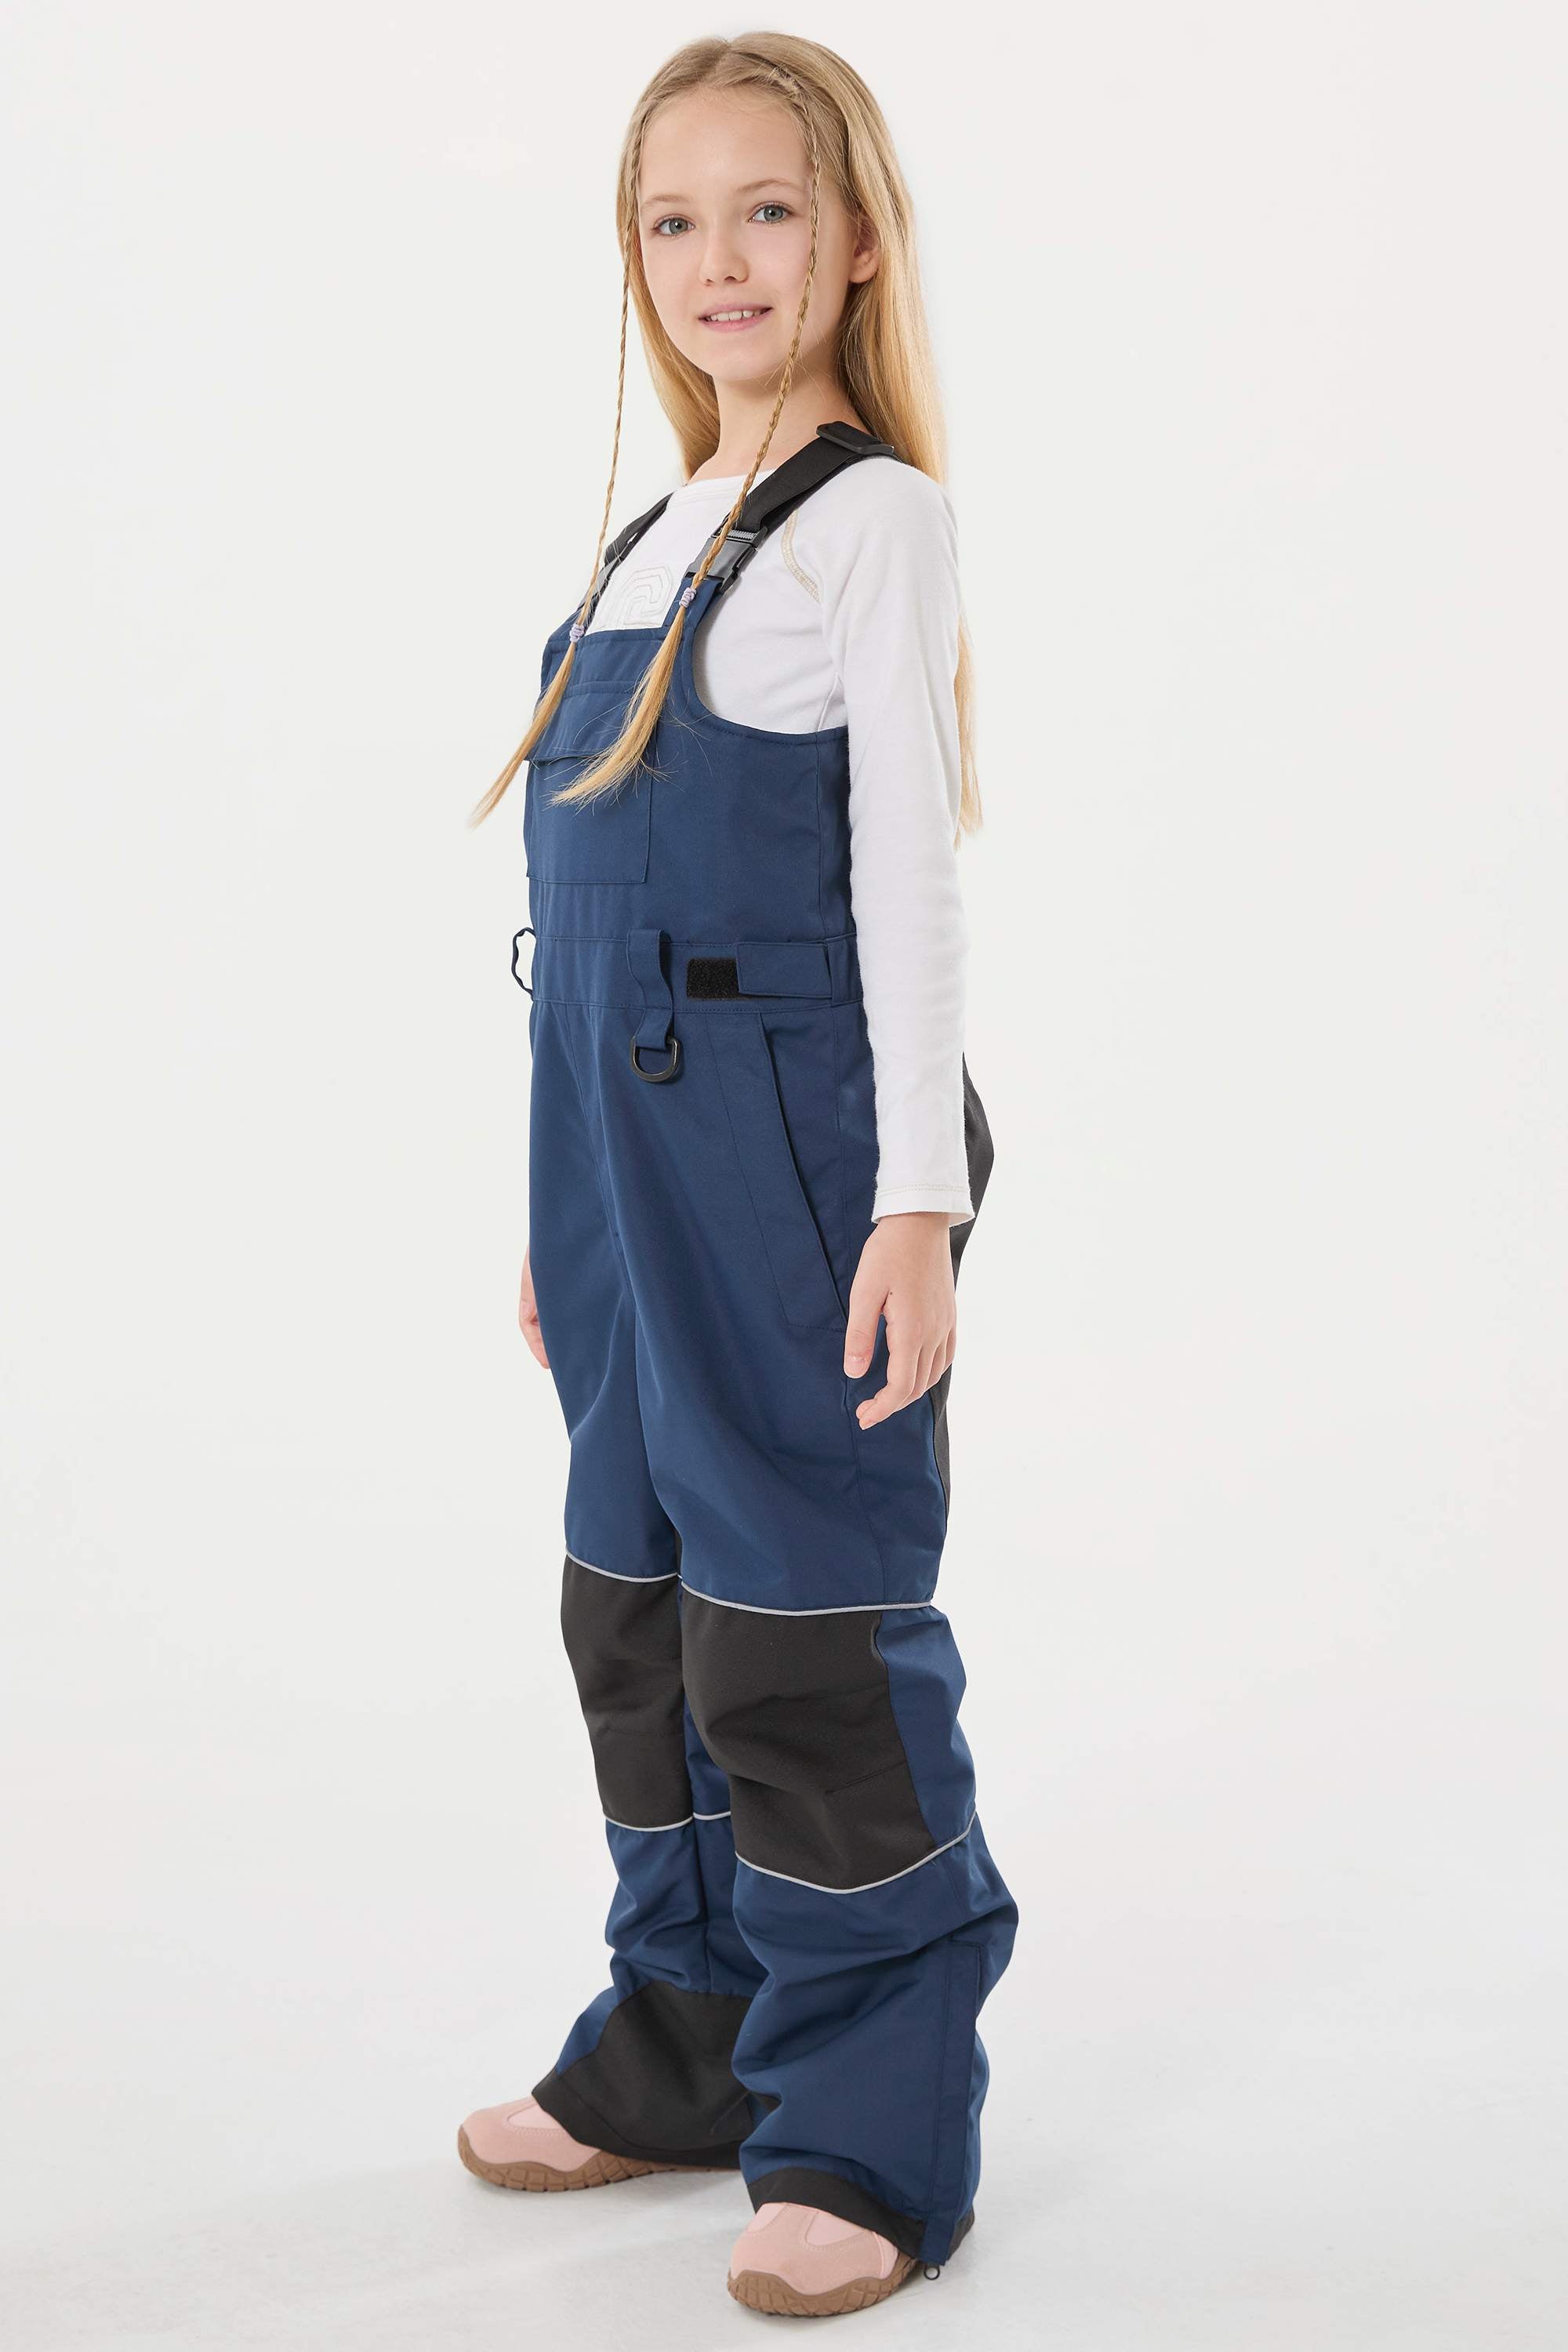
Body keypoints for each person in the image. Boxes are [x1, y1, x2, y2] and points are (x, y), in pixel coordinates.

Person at [459, 31, 1018, 2321]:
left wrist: (917, 1205)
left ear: (855, 239)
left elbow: (910, 886)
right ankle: (688, 2036)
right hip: (614, 1150)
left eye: (768, 209)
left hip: (788, 1147)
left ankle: (870, 2121)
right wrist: (560, 1211)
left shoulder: (870, 519)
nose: (720, 259)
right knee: (633, 1601)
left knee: (797, 1613)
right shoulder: (656, 528)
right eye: (673, 219)